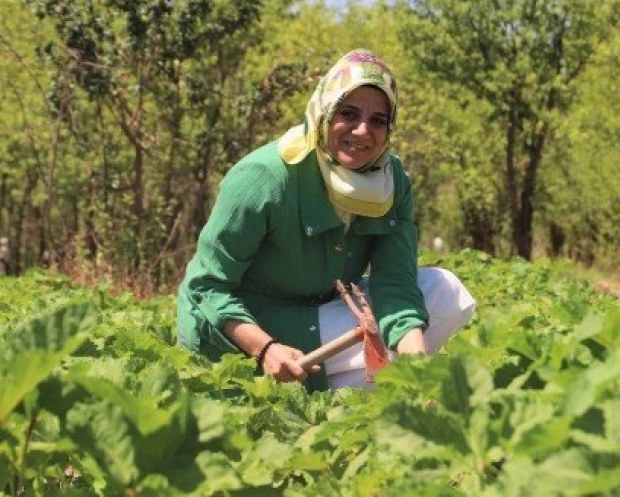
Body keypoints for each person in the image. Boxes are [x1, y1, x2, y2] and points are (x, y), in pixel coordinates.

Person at [176, 49, 476, 391]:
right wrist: (266, 349)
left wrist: (419, 376)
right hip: (245, 330)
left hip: (321, 311)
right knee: (378, 348)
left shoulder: (391, 183)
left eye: (378, 120)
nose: (363, 131)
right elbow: (206, 287)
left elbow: (396, 286)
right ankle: (344, 387)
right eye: (348, 114)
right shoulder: (264, 178)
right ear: (324, 110)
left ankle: (387, 391)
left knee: (444, 290)